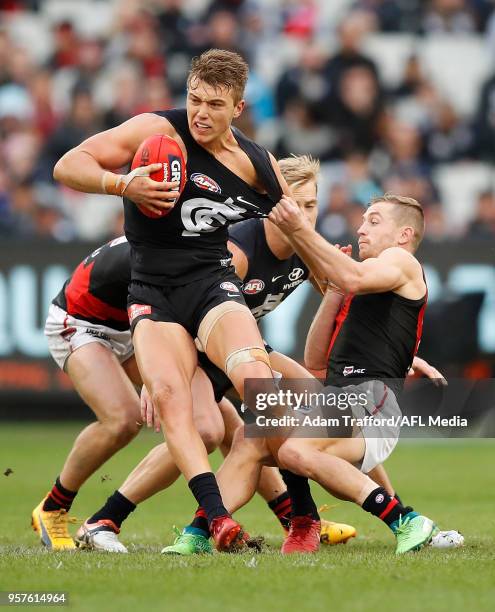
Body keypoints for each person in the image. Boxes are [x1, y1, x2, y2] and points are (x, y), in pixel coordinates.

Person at [53, 49, 293, 551]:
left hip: (209, 284)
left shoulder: (254, 165)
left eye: (214, 104)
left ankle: (301, 517)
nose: (200, 113)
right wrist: (121, 184)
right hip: (143, 297)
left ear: (239, 109)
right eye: (193, 99)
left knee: (258, 391)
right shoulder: (155, 132)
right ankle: (215, 519)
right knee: (172, 405)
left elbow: (299, 228)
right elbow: (67, 165)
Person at [264, 192, 438, 554]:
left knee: (290, 447)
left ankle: (301, 522)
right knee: (275, 437)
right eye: (362, 221)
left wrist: (299, 229)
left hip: (372, 400)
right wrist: (332, 293)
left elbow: (354, 277)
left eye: (374, 221)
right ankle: (398, 517)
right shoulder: (363, 284)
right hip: (344, 399)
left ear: (404, 235)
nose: (361, 229)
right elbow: (315, 361)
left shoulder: (400, 261)